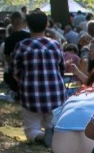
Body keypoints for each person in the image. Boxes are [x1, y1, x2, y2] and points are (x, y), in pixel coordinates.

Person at [12, 11, 66, 143]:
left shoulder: (22, 46)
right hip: (55, 95)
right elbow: (61, 69)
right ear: (47, 24)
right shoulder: (56, 45)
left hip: (31, 96)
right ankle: (52, 134)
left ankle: (40, 137)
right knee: (53, 124)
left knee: (31, 129)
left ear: (27, 25)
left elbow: (14, 72)